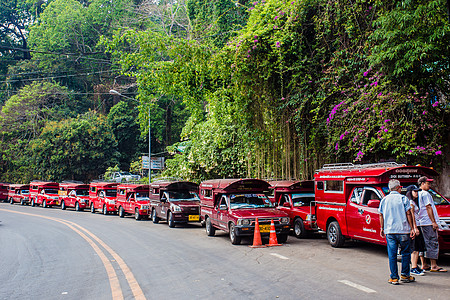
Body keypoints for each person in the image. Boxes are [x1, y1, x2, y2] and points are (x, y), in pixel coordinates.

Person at [379, 179, 416, 285]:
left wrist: (382, 228)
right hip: (403, 230)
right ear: (397, 188)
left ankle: (394, 277)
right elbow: (408, 213)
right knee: (405, 253)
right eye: (400, 187)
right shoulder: (403, 198)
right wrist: (412, 227)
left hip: (390, 231)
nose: (401, 189)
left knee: (392, 254)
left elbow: (381, 215)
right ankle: (405, 275)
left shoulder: (384, 200)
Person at [417, 176, 448, 272]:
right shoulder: (425, 194)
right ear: (422, 184)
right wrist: (433, 222)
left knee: (423, 243)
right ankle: (434, 265)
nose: (429, 185)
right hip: (428, 222)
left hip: (421, 222)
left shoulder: (417, 193)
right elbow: (428, 207)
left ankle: (424, 264)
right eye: (428, 183)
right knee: (432, 242)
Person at [405, 185, 426, 276]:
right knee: (415, 248)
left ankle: (415, 266)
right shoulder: (410, 202)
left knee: (417, 247)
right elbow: (412, 215)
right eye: (415, 191)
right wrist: (414, 228)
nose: (417, 193)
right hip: (414, 226)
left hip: (417, 225)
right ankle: (413, 267)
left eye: (417, 191)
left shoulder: (413, 201)